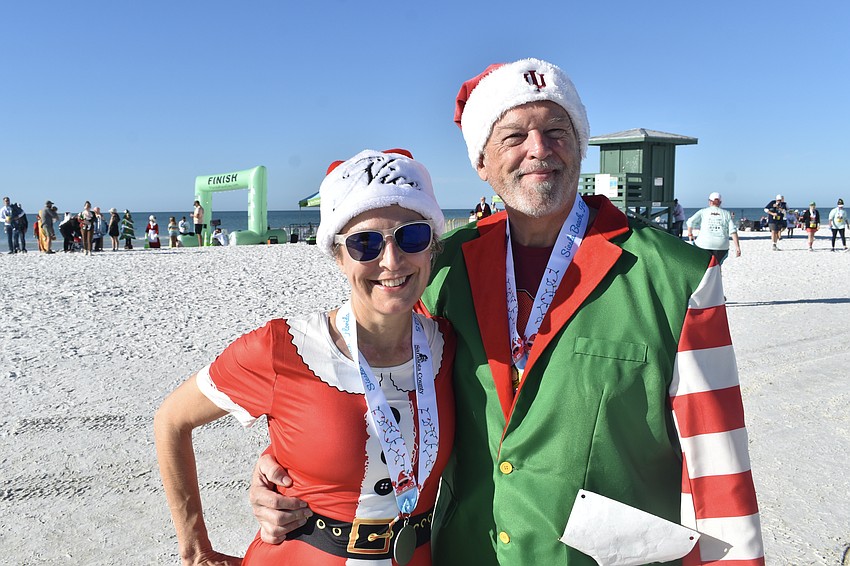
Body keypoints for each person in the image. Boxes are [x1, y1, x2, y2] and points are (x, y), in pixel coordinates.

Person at [249, 58, 764, 566]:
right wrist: (281, 471)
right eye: (514, 136)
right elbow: (382, 391)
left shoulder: (676, 276)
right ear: (481, 162)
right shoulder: (442, 267)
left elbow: (717, 466)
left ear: (581, 145)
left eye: (557, 130)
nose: (539, 150)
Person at [155, 149, 455, 565]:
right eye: (364, 243)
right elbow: (171, 419)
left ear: (432, 247)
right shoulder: (283, 348)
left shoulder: (451, 348)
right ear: (337, 254)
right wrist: (195, 551)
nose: (391, 260)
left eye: (413, 236)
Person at [686, 192, 741, 265]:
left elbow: (690, 221)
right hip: (721, 246)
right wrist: (737, 247)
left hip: (704, 244)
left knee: (704, 266)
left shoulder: (703, 212)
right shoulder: (726, 213)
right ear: (720, 202)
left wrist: (690, 234)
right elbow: (733, 231)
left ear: (710, 201)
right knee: (717, 266)